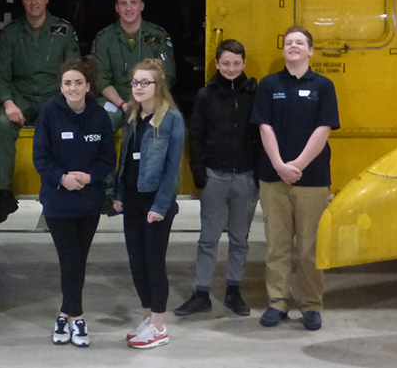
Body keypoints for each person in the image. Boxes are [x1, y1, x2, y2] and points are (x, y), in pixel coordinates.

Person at [252, 26, 339, 332]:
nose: (293, 46)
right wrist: (278, 165)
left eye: (300, 43)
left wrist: (297, 165)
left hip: (312, 180)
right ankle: (277, 303)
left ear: (310, 51)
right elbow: (264, 126)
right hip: (273, 179)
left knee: (309, 248)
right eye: (288, 42)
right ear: (284, 50)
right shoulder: (268, 84)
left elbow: (324, 129)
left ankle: (311, 305)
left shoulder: (324, 86)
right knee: (277, 246)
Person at [33, 59, 116, 348]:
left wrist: (90, 176)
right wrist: (62, 178)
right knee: (70, 260)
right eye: (67, 83)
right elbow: (40, 158)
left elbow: (107, 159)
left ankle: (64, 316)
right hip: (58, 203)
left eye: (78, 82)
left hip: (88, 204)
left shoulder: (100, 116)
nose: (73, 88)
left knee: (78, 261)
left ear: (88, 86)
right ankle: (77, 317)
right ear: (61, 86)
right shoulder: (49, 114)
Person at [175, 39, 259, 318]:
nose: (231, 68)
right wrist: (199, 174)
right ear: (216, 64)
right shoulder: (205, 95)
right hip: (214, 177)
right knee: (208, 238)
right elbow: (196, 135)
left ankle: (233, 290)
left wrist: (258, 173)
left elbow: (260, 135)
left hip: (246, 177)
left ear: (244, 64)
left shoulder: (253, 94)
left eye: (236, 63)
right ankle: (201, 292)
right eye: (226, 63)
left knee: (239, 238)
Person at [0, 0, 80, 224]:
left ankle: (61, 190)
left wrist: (67, 101)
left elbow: (73, 69)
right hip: (22, 96)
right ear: (22, 0)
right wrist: (8, 103)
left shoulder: (64, 31)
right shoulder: (11, 33)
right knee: (2, 123)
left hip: (54, 96)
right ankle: (4, 194)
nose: (34, 2)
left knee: (65, 127)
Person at [113, 58, 185, 349]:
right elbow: (125, 161)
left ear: (158, 86)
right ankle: (147, 316)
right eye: (135, 82)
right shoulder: (132, 115)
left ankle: (159, 325)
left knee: (154, 262)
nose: (139, 87)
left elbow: (172, 168)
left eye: (145, 82)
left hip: (156, 202)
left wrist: (160, 206)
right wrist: (119, 196)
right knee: (136, 261)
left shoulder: (172, 119)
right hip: (132, 200)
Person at [91, 0, 176, 128]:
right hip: (116, 101)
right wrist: (123, 104)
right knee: (105, 116)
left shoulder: (158, 36)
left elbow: (167, 75)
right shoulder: (104, 38)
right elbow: (100, 79)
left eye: (133, 3)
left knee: (167, 118)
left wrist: (143, 101)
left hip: (151, 98)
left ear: (142, 6)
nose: (128, 8)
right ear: (117, 8)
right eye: (123, 3)